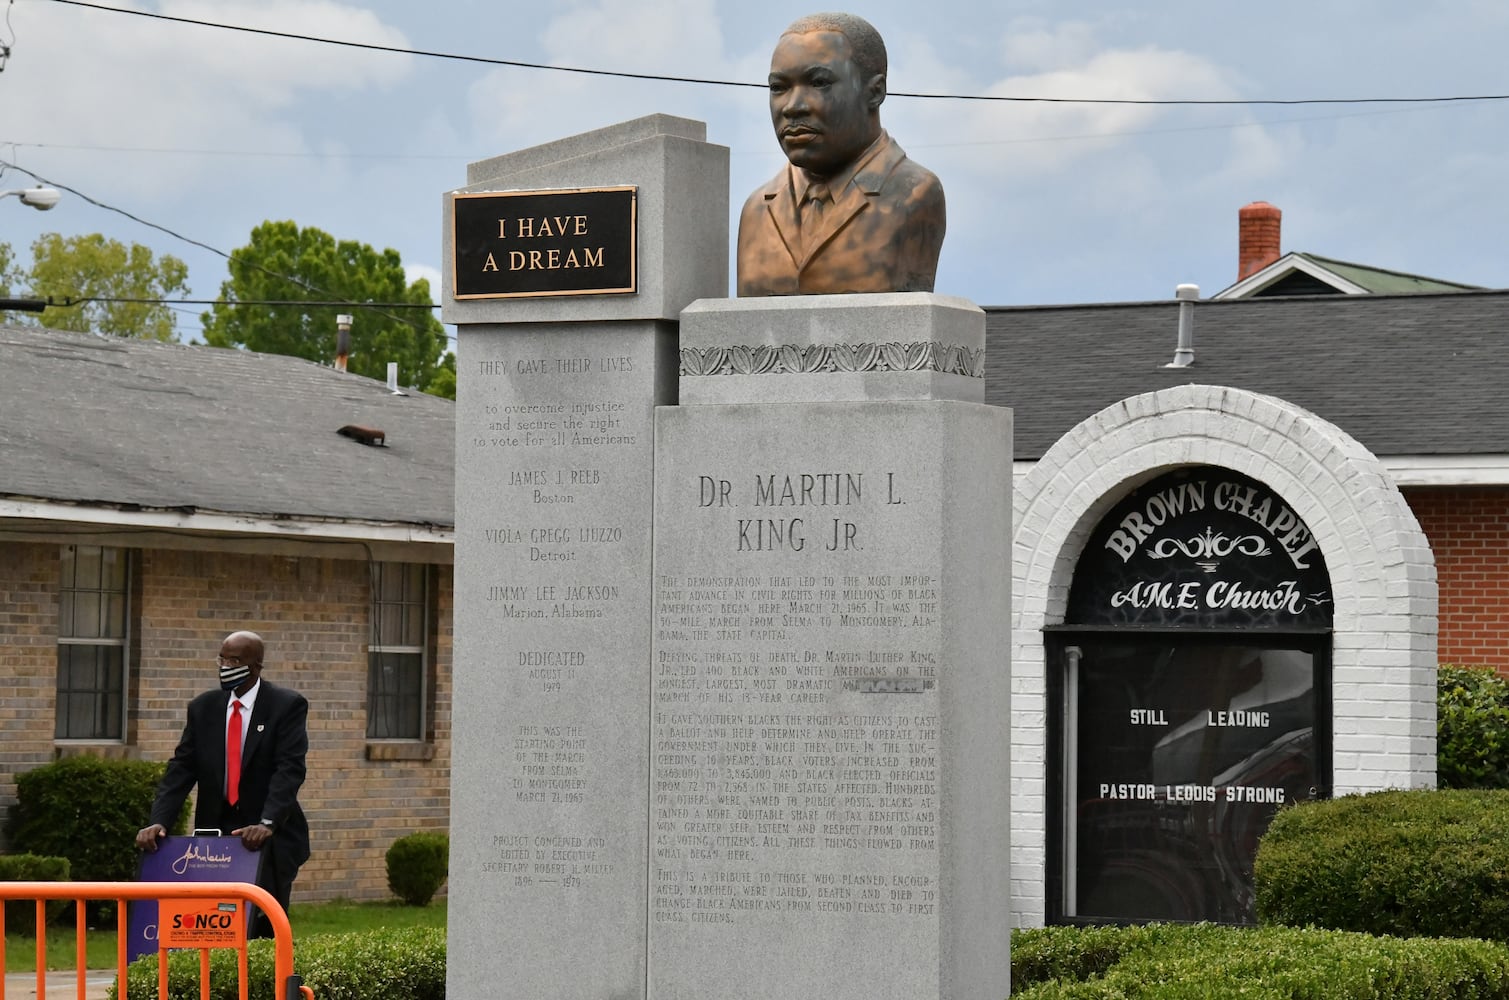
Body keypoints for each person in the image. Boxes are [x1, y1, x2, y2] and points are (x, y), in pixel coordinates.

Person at [736, 11, 946, 297]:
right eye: (778, 88)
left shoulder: (914, 195)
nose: (793, 107)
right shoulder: (757, 209)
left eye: (819, 83)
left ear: (875, 92)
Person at [136, 630, 309, 938]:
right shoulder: (204, 708)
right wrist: (159, 821)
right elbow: (181, 768)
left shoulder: (285, 706)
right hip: (214, 839)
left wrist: (267, 822)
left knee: (262, 932)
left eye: (235, 660)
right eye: (222, 659)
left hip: (267, 839)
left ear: (256, 665)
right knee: (215, 929)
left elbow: (289, 769)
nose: (226, 666)